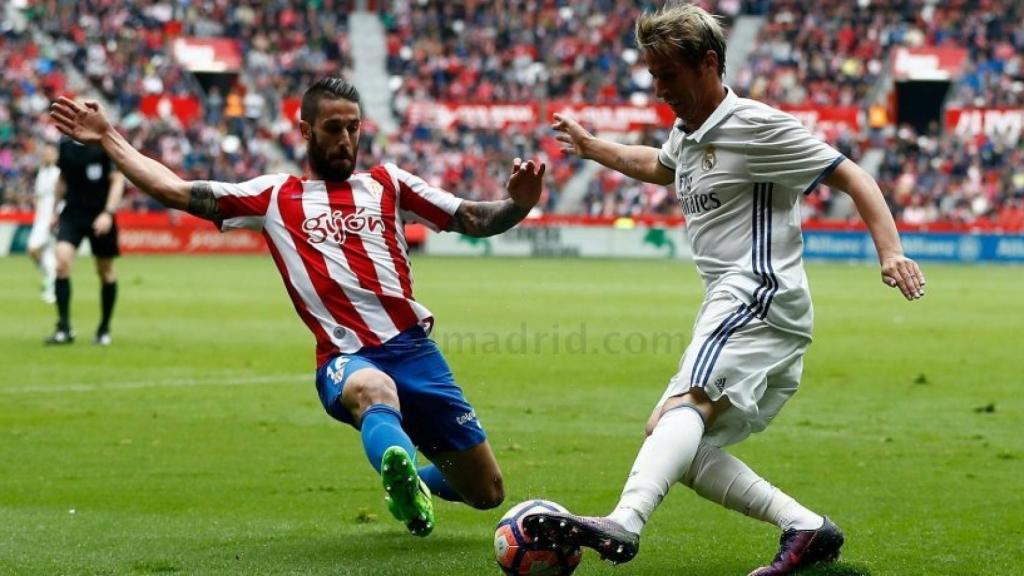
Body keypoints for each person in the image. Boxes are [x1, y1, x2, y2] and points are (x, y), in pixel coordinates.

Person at [522, 5, 926, 575]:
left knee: (682, 414)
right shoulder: (689, 131)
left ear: (708, 64)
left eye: (668, 74)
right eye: (653, 74)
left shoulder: (755, 126)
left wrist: (891, 252)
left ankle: (625, 521)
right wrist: (593, 147)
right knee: (672, 437)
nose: (658, 88)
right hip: (744, 303)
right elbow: (660, 166)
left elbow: (851, 174)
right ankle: (806, 527)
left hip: (756, 292)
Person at [49, 77, 547, 537]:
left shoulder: (390, 184)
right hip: (346, 358)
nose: (346, 139)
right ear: (306, 131)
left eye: (353, 128)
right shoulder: (274, 196)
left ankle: (412, 483)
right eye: (333, 128)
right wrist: (109, 136)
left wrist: (518, 206)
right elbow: (174, 190)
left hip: (415, 352)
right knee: (374, 390)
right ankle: (395, 466)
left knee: (487, 492)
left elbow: (472, 218)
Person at [47, 135, 125, 345]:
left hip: (100, 214)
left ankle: (104, 328)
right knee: (61, 262)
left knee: (105, 270)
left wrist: (108, 213)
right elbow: (61, 180)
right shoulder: (65, 145)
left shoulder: (104, 143)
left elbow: (117, 180)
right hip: (72, 214)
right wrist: (54, 211)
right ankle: (64, 328)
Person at [27, 143, 60, 304]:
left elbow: (62, 197)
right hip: (40, 219)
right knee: (34, 250)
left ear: (55, 155)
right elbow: (38, 196)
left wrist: (56, 215)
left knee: (47, 253)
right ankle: (49, 277)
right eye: (45, 153)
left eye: (49, 153)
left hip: (53, 219)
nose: (46, 156)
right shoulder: (41, 173)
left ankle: (51, 289)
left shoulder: (58, 173)